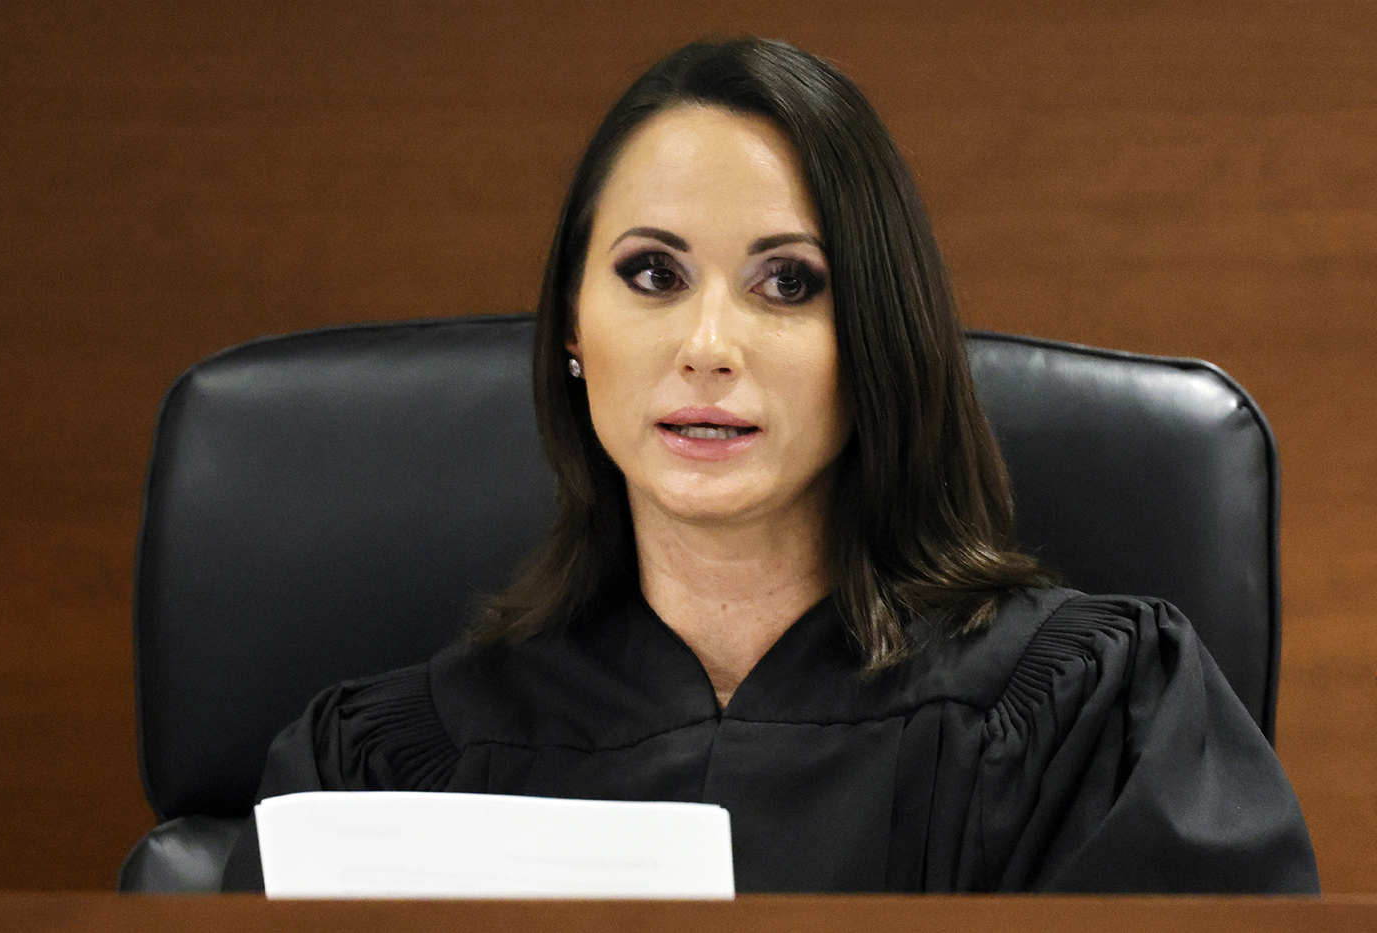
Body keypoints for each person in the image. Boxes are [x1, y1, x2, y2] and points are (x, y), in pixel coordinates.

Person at [222, 37, 1319, 893]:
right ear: (570, 325)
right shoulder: (377, 769)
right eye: (650, 274)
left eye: (787, 284)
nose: (707, 345)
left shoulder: (1093, 720)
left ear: (876, 337)